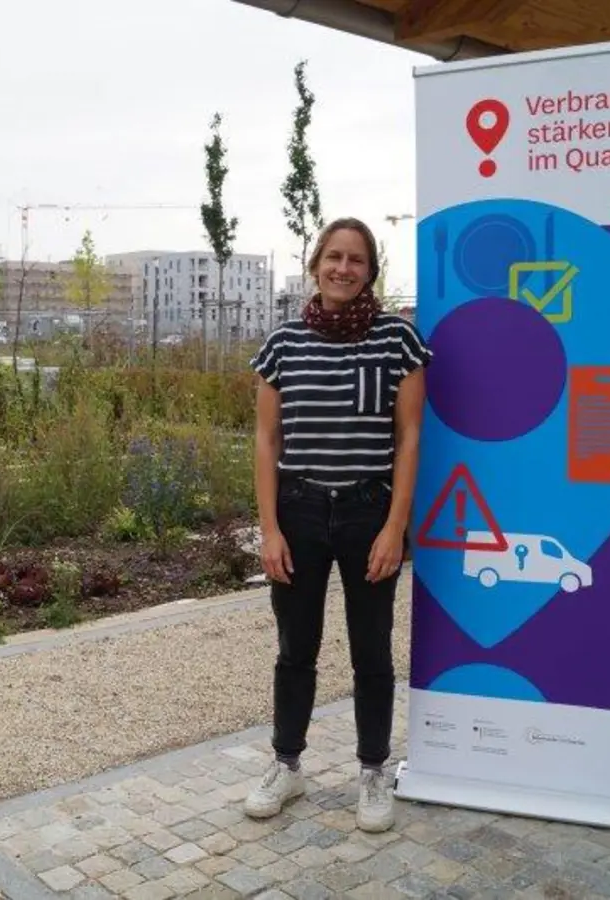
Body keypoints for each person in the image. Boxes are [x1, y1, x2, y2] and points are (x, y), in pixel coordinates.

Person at [245, 217, 431, 833]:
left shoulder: (397, 342)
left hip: (366, 512)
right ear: (315, 263)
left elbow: (408, 439)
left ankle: (373, 771)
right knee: (295, 649)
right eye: (333, 257)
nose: (343, 268)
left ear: (370, 270)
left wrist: (394, 527)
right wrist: (269, 529)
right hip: (299, 512)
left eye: (356, 259)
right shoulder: (282, 345)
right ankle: (288, 764)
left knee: (372, 650)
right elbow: (267, 440)